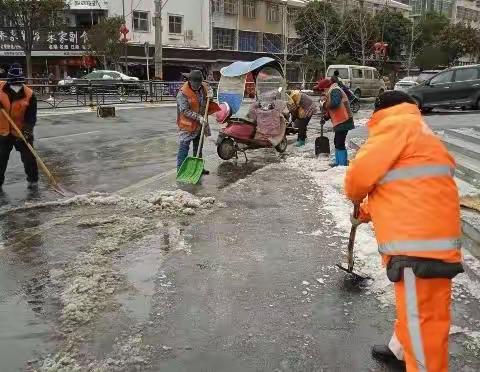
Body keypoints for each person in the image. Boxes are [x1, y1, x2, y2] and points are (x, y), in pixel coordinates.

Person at [345, 91, 463, 372]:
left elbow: (358, 178)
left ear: (381, 109)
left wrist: (355, 195)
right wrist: (367, 212)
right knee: (420, 309)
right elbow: (407, 187)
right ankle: (400, 348)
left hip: (416, 246)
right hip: (432, 239)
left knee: (423, 322)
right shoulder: (419, 131)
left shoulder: (394, 127)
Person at [0, 63, 38, 191]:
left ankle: (33, 181)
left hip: (21, 130)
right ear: (9, 81)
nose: (16, 86)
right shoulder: (0, 87)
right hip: (2, 131)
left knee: (29, 157)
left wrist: (27, 130)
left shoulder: (29, 94)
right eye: (14, 83)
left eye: (19, 83)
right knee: (1, 158)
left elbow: (31, 116)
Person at [176, 70, 216, 174]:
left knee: (198, 147)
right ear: (190, 81)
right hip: (187, 126)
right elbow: (184, 110)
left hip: (200, 124)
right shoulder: (182, 93)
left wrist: (211, 95)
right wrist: (198, 117)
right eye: (195, 85)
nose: (197, 87)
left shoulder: (203, 87)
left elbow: (207, 101)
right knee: (184, 148)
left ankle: (198, 168)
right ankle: (180, 170)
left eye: (199, 85)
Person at [314, 78, 354, 166]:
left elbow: (335, 104)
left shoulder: (335, 90)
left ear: (326, 87)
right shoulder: (331, 92)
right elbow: (331, 110)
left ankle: (342, 164)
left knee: (340, 142)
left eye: (322, 90)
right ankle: (338, 162)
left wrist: (324, 104)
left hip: (344, 120)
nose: (322, 92)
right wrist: (325, 117)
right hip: (340, 120)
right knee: (337, 141)